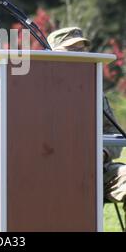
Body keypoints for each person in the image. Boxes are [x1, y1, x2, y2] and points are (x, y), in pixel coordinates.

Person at [47, 27, 126, 229]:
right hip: (54, 174)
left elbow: (115, 136)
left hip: (98, 170)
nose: (80, 56)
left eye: (82, 50)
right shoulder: (37, 92)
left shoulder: (95, 93)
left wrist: (103, 153)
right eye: (72, 50)